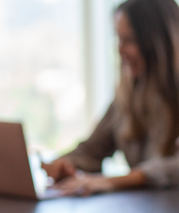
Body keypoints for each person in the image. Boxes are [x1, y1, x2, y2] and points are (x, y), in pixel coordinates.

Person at [42, 0, 179, 196]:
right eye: (118, 38)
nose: (120, 50)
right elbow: (92, 150)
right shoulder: (127, 95)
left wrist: (110, 182)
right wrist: (65, 164)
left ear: (158, 42)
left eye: (129, 40)